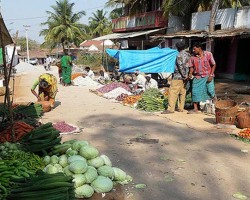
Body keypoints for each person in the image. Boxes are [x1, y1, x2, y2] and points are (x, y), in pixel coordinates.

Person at [162, 42, 191, 114]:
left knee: (173, 92)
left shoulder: (179, 55)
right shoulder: (188, 54)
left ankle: (170, 109)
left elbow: (180, 66)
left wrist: (184, 75)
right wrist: (187, 75)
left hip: (178, 76)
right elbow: (189, 65)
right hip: (186, 77)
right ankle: (181, 108)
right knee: (182, 92)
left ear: (177, 48)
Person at [188, 42, 216, 114]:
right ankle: (195, 109)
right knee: (195, 92)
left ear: (199, 48)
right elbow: (191, 67)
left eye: (194, 49)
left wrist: (211, 75)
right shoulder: (192, 57)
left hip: (207, 76)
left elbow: (213, 64)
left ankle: (216, 106)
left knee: (210, 91)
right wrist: (190, 73)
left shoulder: (208, 54)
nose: (193, 50)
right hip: (197, 77)